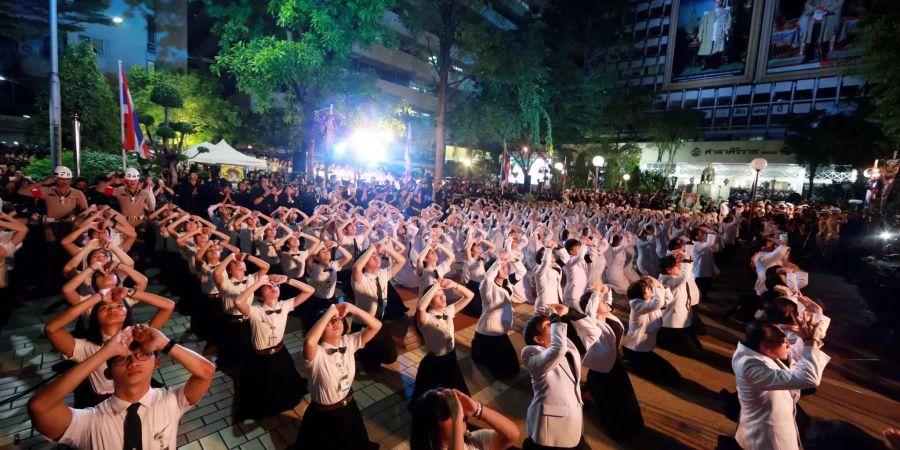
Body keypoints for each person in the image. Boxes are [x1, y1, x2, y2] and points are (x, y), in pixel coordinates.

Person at [27, 325, 215, 449]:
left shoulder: (171, 400)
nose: (133, 361)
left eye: (142, 354)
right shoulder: (89, 422)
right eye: (121, 358)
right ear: (108, 373)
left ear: (157, 363)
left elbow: (206, 371)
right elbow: (40, 407)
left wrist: (165, 343)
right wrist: (105, 352)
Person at [45, 287, 175, 407]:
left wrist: (129, 291)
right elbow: (51, 329)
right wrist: (98, 297)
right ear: (94, 316)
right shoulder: (86, 346)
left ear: (127, 311)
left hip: (143, 395)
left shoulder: (138, 333)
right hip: (107, 403)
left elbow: (169, 306)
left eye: (119, 305)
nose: (112, 309)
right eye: (104, 308)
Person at [732, 317, 830, 450]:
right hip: (766, 439)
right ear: (765, 345)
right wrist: (808, 342)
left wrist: (811, 336)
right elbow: (808, 377)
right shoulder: (748, 366)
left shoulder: (758, 353)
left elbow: (795, 359)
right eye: (785, 342)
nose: (790, 345)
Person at [297, 303, 382, 449]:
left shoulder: (349, 342)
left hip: (349, 407)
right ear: (319, 330)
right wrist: (330, 311)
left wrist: (353, 308)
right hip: (324, 415)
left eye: (337, 319)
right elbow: (309, 341)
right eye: (329, 322)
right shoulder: (316, 354)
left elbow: (376, 326)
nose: (335, 322)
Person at [232, 274, 315, 419]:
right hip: (259, 357)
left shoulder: (285, 305)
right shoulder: (255, 311)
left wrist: (287, 280)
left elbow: (310, 290)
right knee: (262, 387)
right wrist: (258, 283)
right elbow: (238, 301)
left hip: (280, 352)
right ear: (260, 296)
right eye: (268, 287)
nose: (273, 288)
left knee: (284, 382)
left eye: (276, 286)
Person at [521, 304, 591, 450]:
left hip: (571, 421)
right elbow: (557, 350)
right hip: (550, 431)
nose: (553, 325)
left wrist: (569, 313)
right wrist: (554, 316)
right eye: (548, 325)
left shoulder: (568, 346)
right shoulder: (532, 356)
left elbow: (593, 333)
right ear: (538, 339)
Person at [578, 289, 644, 439]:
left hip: (615, 363)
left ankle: (587, 393)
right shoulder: (592, 324)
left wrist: (605, 289)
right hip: (603, 370)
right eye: (601, 301)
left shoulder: (608, 316)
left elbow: (607, 298)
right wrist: (595, 293)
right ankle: (619, 430)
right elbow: (590, 310)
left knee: (624, 396)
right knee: (612, 401)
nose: (606, 301)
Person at [410, 279, 475, 407]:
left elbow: (470, 296)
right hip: (436, 362)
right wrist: (436, 286)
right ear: (429, 301)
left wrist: (454, 284)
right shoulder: (426, 319)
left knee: (455, 388)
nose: (442, 297)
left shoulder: (447, 312)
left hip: (451, 357)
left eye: (443, 293)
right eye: (437, 295)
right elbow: (420, 308)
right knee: (437, 399)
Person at [350, 241, 406, 371]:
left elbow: (401, 260)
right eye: (372, 256)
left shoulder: (382, 274)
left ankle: (363, 353)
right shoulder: (360, 280)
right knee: (371, 366)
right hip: (362, 325)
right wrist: (371, 249)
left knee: (391, 357)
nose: (376, 257)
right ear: (364, 263)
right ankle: (360, 354)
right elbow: (356, 268)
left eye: (377, 255)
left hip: (378, 322)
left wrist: (385, 248)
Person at [409, 388, 520, 450]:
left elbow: (512, 435)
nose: (460, 414)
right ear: (429, 426)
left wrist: (477, 409)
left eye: (456, 407)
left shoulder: (471, 441)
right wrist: (457, 420)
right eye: (447, 412)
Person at [622, 279, 681, 387]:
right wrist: (655, 284)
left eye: (649, 288)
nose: (650, 289)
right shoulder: (637, 306)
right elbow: (658, 303)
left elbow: (668, 299)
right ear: (640, 296)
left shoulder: (649, 302)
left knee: (673, 376)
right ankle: (630, 362)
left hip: (644, 348)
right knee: (670, 378)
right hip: (635, 350)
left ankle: (631, 363)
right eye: (647, 289)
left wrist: (661, 285)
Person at [473, 254, 521, 380]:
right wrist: (498, 262)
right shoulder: (487, 288)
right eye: (502, 268)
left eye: (506, 267)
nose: (505, 270)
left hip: (500, 329)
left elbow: (522, 272)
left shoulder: (506, 285)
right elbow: (487, 279)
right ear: (494, 271)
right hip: (488, 331)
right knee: (500, 371)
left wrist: (514, 259)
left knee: (513, 367)